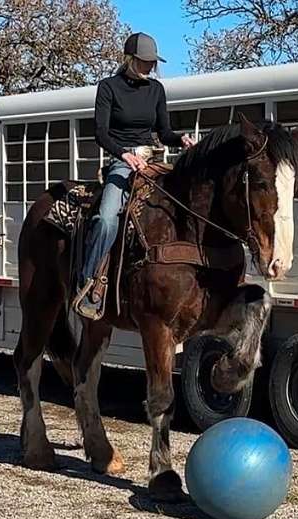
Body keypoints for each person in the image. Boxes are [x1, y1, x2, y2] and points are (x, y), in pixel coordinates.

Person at [77, 32, 195, 317]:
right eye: (144, 62)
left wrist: (181, 140)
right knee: (106, 218)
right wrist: (125, 155)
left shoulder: (156, 90)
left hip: (152, 160)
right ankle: (88, 280)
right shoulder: (108, 88)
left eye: (152, 63)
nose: (149, 67)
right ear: (129, 59)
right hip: (122, 160)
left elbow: (163, 133)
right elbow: (100, 133)